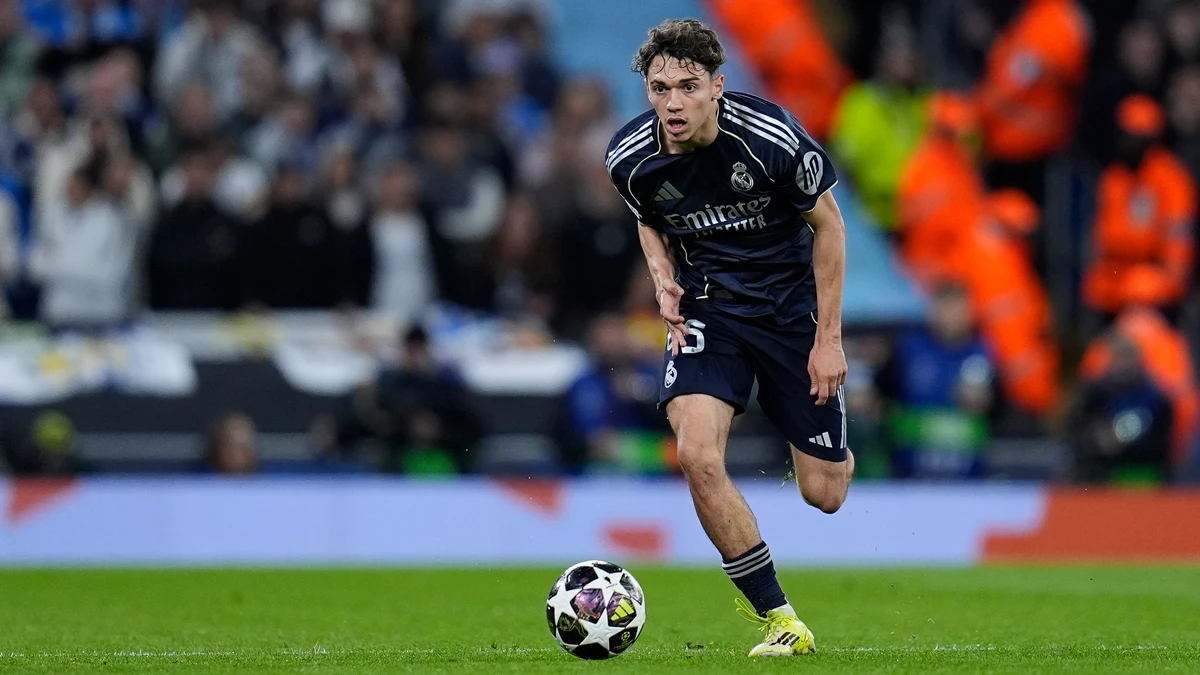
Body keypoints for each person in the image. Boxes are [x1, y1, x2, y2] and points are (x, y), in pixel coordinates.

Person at [605, 19, 851, 658]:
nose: (673, 103)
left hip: (791, 312)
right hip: (709, 311)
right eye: (660, 89)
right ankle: (780, 619)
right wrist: (662, 276)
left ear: (718, 86)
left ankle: (823, 441)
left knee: (824, 492)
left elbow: (830, 227)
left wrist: (828, 340)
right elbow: (650, 218)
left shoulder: (772, 140)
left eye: (688, 87)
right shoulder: (629, 159)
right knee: (696, 454)